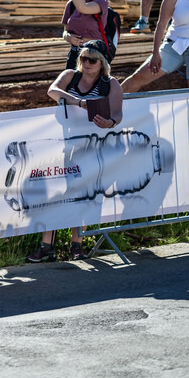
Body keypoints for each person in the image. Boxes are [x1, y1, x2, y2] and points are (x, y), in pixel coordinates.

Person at [26, 41, 124, 263]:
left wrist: (108, 123)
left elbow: (118, 115)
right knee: (55, 196)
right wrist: (79, 102)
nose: (86, 63)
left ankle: (76, 247)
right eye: (83, 58)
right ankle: (46, 247)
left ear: (102, 63)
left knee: (84, 197)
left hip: (93, 149)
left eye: (92, 60)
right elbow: (52, 90)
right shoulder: (71, 75)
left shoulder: (111, 84)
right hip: (63, 145)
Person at [57, 0, 111, 69]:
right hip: (75, 53)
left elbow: (83, 8)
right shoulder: (71, 4)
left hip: (94, 55)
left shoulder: (101, 2)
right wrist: (68, 37)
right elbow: (65, 31)